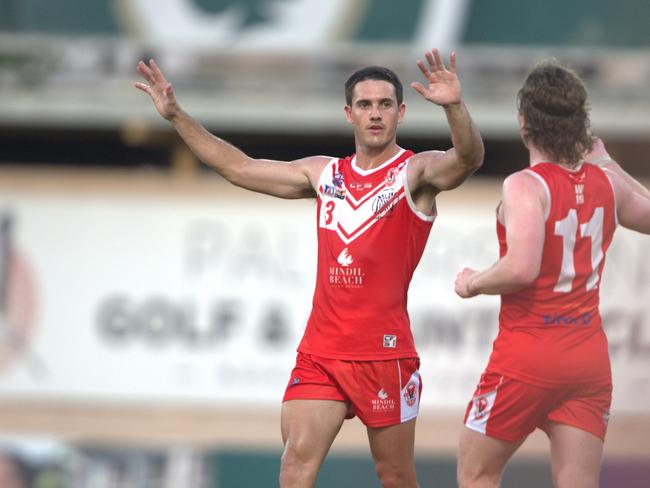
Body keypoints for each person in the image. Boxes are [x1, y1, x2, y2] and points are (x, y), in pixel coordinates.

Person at [136, 48, 484, 487]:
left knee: (395, 475)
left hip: (385, 354)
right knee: (295, 465)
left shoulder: (415, 172)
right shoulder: (323, 175)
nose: (374, 114)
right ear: (348, 113)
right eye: (364, 105)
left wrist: (454, 106)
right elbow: (239, 168)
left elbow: (468, 159)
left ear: (401, 112)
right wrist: (177, 116)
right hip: (321, 354)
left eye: (384, 105)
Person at [454, 60, 650, 488]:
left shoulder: (525, 185)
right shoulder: (608, 183)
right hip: (587, 361)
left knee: (476, 473)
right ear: (581, 123)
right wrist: (611, 164)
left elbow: (522, 267)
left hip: (527, 356)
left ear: (524, 122)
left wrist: (473, 282)